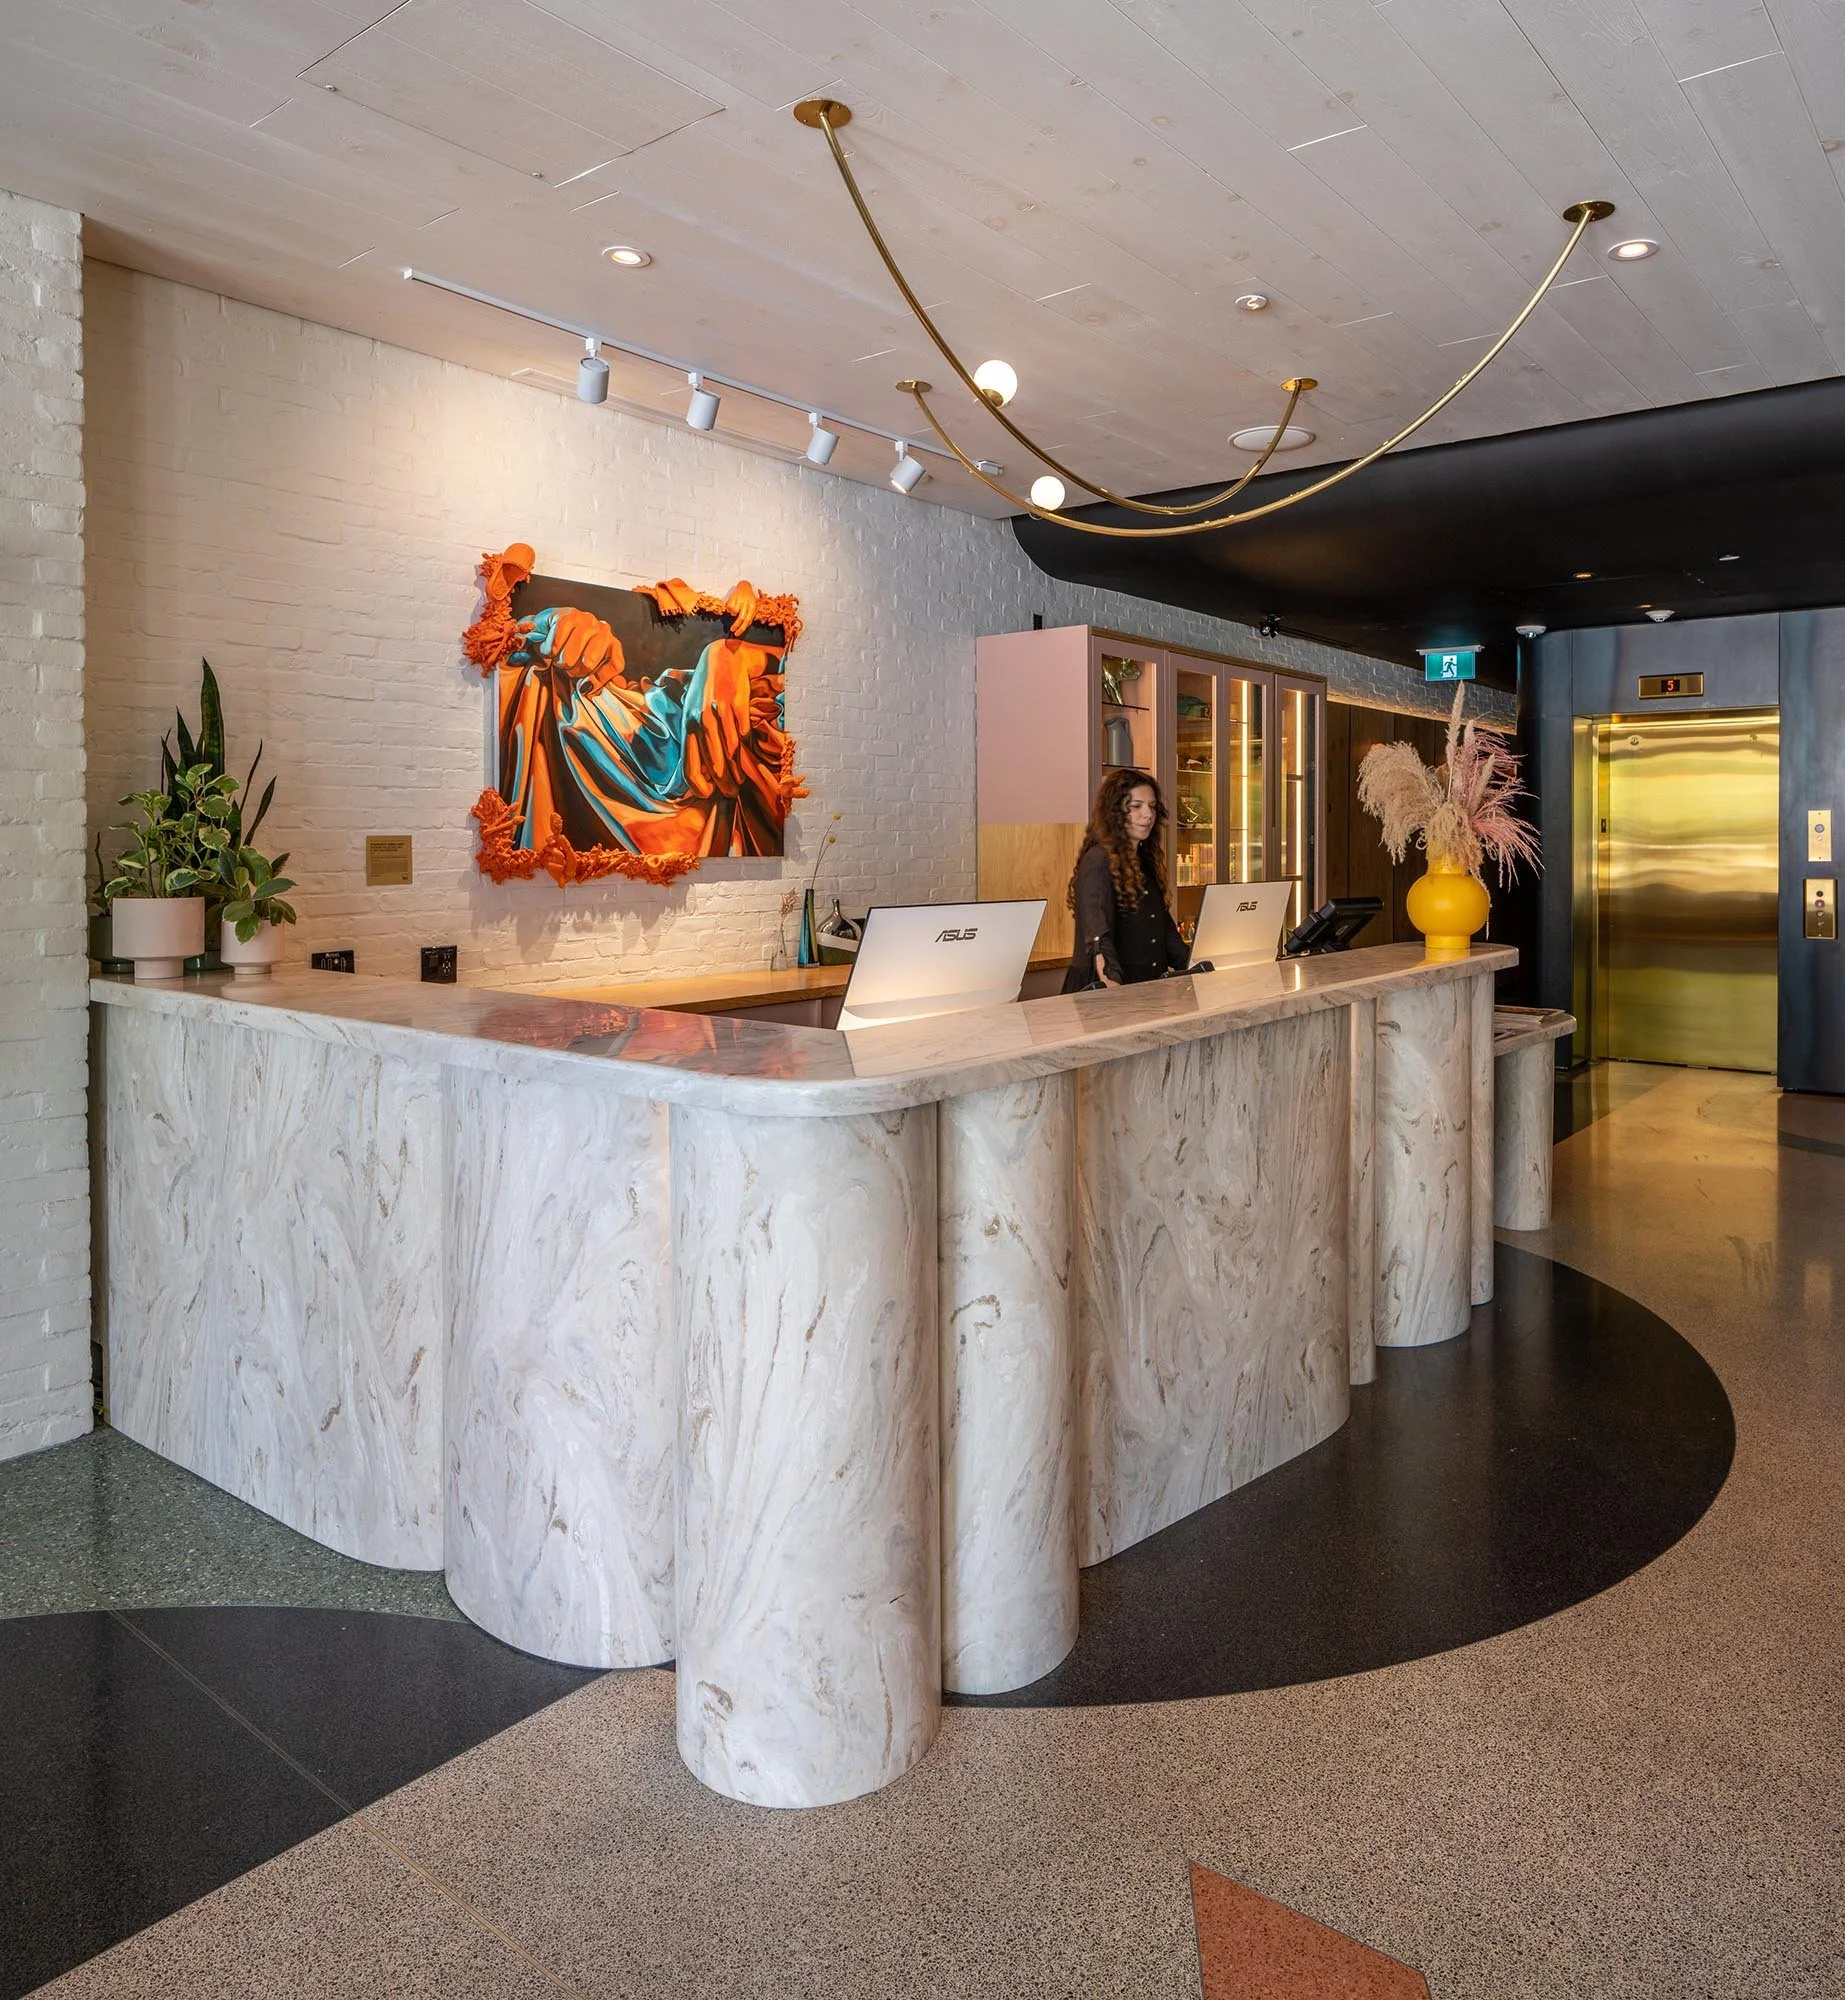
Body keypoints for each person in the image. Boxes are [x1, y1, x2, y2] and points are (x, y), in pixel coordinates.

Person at [1062, 767, 1193, 992]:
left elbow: (1164, 932)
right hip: (1105, 994)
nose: (1148, 814)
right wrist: (1112, 982)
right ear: (1115, 812)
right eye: (1136, 807)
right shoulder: (1098, 861)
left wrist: (1197, 965)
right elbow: (1098, 933)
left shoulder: (1144, 862)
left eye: (1152, 807)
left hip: (1146, 990)